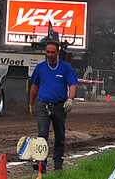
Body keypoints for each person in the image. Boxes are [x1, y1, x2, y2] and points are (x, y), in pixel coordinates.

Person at [29, 40, 78, 173]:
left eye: (52, 52)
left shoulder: (66, 67)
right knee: (42, 135)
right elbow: (34, 86)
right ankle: (41, 164)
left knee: (60, 135)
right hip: (43, 105)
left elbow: (72, 85)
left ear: (58, 52)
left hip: (59, 106)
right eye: (48, 52)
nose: (49, 55)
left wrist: (70, 100)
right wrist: (31, 104)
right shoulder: (40, 68)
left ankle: (58, 164)